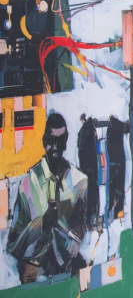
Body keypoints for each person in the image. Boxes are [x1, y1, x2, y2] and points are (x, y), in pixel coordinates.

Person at [6, 112, 89, 284]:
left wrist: (70, 250)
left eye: (60, 142)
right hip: (34, 265)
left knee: (86, 282)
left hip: (65, 263)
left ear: (66, 142)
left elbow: (81, 227)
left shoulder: (79, 181)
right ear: (44, 142)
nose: (56, 148)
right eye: (51, 142)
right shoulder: (29, 182)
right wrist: (42, 224)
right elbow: (13, 242)